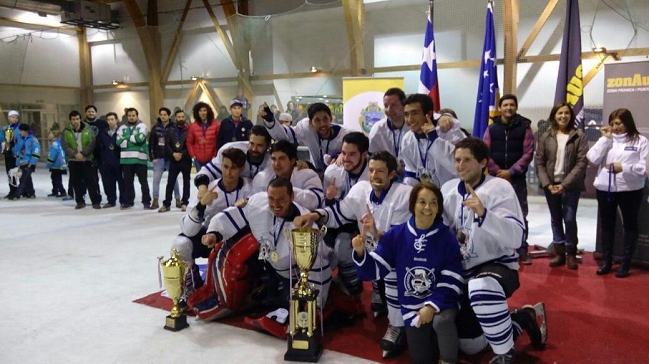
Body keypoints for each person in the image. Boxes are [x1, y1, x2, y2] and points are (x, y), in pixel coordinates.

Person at [294, 151, 412, 358]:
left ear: (392, 174)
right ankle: (378, 291)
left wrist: (375, 232)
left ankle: (397, 325)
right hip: (371, 251)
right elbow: (340, 213)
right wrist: (315, 214)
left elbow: (400, 240)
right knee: (364, 256)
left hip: (399, 254)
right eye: (372, 170)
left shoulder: (404, 195)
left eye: (381, 171)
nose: (374, 175)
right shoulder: (360, 190)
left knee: (393, 273)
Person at [441, 138, 546, 363]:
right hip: (462, 272)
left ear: (482, 163)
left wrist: (484, 214)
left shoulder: (499, 187)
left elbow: (516, 237)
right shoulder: (447, 190)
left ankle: (504, 354)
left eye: (467, 160)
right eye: (457, 160)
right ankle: (521, 319)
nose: (460, 165)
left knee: (481, 287)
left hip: (497, 266)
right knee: (471, 346)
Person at [198, 178, 332, 329]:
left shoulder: (306, 227)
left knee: (293, 308)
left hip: (294, 277)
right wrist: (214, 234)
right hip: (267, 266)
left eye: (281, 199)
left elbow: (321, 264)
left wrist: (316, 305)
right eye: (271, 198)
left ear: (292, 197)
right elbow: (231, 216)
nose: (275, 204)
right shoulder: (257, 203)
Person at [352, 182, 463, 364]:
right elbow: (376, 268)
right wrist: (360, 253)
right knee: (421, 358)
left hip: (442, 303)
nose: (427, 207)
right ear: (413, 205)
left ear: (438, 208)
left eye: (433, 202)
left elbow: (452, 277)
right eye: (422, 202)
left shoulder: (446, 237)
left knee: (443, 324)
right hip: (412, 309)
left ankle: (448, 359)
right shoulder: (396, 235)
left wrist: (432, 306)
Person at [170, 147, 253, 300]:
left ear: (242, 169)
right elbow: (188, 229)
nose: (228, 173)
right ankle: (190, 287)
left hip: (241, 244)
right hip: (210, 240)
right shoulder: (208, 189)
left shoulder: (251, 188)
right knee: (180, 243)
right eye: (225, 167)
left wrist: (248, 204)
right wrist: (202, 205)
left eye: (234, 168)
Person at [587, 108, 648, 278]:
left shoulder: (640, 141)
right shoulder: (607, 139)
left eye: (618, 123)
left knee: (630, 225)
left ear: (627, 122)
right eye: (612, 123)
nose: (615, 127)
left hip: (630, 190)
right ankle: (607, 261)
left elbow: (645, 167)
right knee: (607, 225)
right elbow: (592, 159)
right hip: (606, 188)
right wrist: (604, 140)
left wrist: (625, 168)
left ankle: (626, 263)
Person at [535, 103, 589, 270]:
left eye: (566, 113)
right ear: (554, 116)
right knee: (556, 218)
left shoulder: (579, 135)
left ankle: (571, 252)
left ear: (571, 116)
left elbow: (581, 163)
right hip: (550, 186)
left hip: (571, 186)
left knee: (569, 219)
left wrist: (564, 185)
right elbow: (540, 162)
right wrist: (548, 184)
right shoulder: (545, 136)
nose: (563, 116)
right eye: (560, 113)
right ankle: (559, 252)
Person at [482, 94, 535, 264]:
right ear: (500, 107)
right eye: (505, 105)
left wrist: (511, 172)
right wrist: (498, 172)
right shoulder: (491, 128)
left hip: (516, 179)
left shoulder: (525, 127)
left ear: (516, 107)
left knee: (521, 214)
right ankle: (497, 248)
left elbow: (528, 153)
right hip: (495, 179)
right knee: (494, 212)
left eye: (512, 105)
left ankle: (522, 249)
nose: (508, 108)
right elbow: (485, 152)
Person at [261, 102, 351, 173]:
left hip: (338, 177)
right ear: (310, 122)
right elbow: (285, 135)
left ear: (331, 119)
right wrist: (270, 121)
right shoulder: (307, 129)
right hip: (316, 174)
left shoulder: (346, 135)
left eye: (325, 119)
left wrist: (343, 154)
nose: (322, 124)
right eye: (317, 120)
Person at [401, 93, 465, 188]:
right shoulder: (407, 139)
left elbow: (458, 167)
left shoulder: (450, 131)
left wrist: (433, 138)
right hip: (428, 196)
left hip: (454, 192)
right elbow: (411, 174)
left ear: (429, 114)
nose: (410, 119)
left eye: (415, 113)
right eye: (406, 114)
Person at [194, 125, 272, 196]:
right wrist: (202, 189)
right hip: (227, 197)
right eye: (251, 143)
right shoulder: (231, 150)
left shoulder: (273, 160)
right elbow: (208, 171)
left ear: (268, 145)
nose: (254, 149)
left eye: (259, 145)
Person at [251, 140, 324, 211]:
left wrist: (283, 191)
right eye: (273, 159)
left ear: (292, 161)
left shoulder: (308, 175)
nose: (277, 164)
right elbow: (255, 204)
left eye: (281, 159)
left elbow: (315, 201)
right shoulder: (262, 178)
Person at [61, 110, 101, 209]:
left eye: (77, 119)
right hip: (73, 160)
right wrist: (75, 154)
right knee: (76, 182)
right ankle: (80, 201)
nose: (76, 121)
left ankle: (95, 202)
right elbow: (65, 145)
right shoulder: (66, 131)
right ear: (70, 120)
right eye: (73, 119)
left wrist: (83, 153)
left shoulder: (88, 129)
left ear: (80, 119)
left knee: (91, 182)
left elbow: (92, 143)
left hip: (87, 159)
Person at [368, 88, 410, 179]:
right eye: (386, 106)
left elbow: (437, 118)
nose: (389, 110)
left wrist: (446, 116)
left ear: (404, 105)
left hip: (412, 175)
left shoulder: (413, 125)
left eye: (394, 105)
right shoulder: (377, 129)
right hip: (387, 178)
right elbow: (373, 159)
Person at [116, 107, 151, 210]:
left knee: (143, 182)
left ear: (137, 116)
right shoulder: (122, 127)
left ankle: (146, 202)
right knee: (127, 183)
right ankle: (128, 201)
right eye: (129, 116)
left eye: (133, 115)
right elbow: (118, 142)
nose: (131, 117)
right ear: (127, 116)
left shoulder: (142, 126)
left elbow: (140, 139)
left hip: (140, 159)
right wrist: (133, 140)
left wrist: (127, 139)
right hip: (126, 160)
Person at [159, 110, 192, 212]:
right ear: (175, 118)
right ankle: (167, 203)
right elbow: (167, 144)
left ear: (185, 118)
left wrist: (182, 153)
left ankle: (185, 202)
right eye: (179, 117)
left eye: (182, 117)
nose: (181, 119)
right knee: (170, 182)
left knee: (186, 182)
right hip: (173, 159)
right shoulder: (170, 130)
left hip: (185, 159)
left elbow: (191, 144)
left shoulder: (189, 130)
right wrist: (173, 154)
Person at [149, 107, 180, 210]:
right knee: (156, 180)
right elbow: (151, 144)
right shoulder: (155, 128)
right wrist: (152, 157)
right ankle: (155, 199)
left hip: (171, 157)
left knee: (173, 180)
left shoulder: (174, 127)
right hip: (159, 157)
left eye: (165, 114)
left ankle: (177, 198)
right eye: (161, 114)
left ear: (169, 116)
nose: (162, 116)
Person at [97, 112, 124, 208]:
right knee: (108, 183)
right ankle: (111, 201)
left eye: (112, 119)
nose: (110, 121)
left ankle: (123, 201)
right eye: (108, 120)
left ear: (116, 120)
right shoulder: (103, 133)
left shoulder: (122, 132)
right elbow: (101, 147)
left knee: (122, 183)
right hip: (107, 162)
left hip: (119, 161)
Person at [187, 102, 220, 170]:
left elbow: (219, 141)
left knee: (212, 178)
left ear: (208, 111)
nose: (203, 113)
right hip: (198, 159)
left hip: (212, 158)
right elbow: (189, 142)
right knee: (201, 178)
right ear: (197, 112)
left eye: (204, 110)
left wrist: (215, 155)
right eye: (200, 111)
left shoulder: (216, 125)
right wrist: (193, 155)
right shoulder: (192, 126)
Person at [13, 123, 40, 199]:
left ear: (26, 131)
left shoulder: (33, 140)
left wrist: (32, 162)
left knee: (24, 179)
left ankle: (17, 194)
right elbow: (17, 150)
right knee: (27, 178)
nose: (20, 132)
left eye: (21, 131)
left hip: (29, 162)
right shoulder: (21, 139)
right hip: (22, 162)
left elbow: (36, 151)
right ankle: (31, 193)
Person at [2, 110, 21, 199]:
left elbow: (21, 141)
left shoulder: (20, 128)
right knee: (10, 173)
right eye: (13, 117)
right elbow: (2, 138)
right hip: (8, 153)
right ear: (9, 118)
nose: (15, 119)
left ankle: (23, 191)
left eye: (16, 117)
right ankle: (12, 190)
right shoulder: (6, 128)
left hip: (16, 154)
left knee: (18, 173)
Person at [45, 125, 67, 197]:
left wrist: (49, 164)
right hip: (60, 163)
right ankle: (55, 190)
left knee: (56, 178)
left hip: (56, 164)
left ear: (54, 134)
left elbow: (52, 155)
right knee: (55, 177)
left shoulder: (55, 144)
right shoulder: (59, 142)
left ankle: (62, 191)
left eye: (50, 133)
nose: (48, 135)